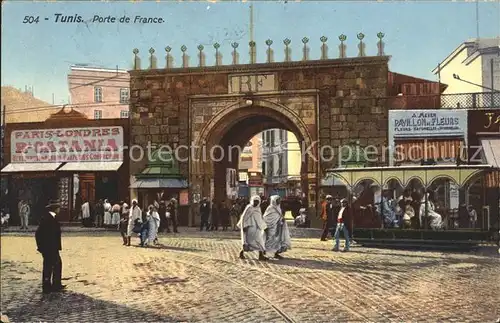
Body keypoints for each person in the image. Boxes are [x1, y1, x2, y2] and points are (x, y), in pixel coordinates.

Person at [35, 200, 65, 294]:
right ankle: (48, 286)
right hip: (48, 248)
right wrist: (41, 247)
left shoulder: (52, 218)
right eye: (59, 208)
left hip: (53, 247)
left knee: (56, 264)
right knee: (49, 266)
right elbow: (38, 234)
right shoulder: (47, 218)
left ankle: (55, 284)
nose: (59, 210)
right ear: (55, 209)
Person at [237, 195, 268, 261]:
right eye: (254, 201)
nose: (255, 203)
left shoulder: (258, 208)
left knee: (259, 240)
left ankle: (261, 255)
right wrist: (244, 226)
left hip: (257, 228)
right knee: (249, 242)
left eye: (257, 201)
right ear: (252, 201)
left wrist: (263, 226)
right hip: (249, 228)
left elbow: (260, 218)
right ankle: (241, 253)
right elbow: (244, 217)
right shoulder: (249, 208)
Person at [263, 195, 291, 259]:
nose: (279, 201)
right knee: (269, 240)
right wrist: (266, 226)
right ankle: (263, 252)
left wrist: (282, 220)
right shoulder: (270, 208)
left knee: (278, 241)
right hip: (270, 228)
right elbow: (266, 218)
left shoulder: (278, 208)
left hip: (278, 227)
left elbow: (280, 216)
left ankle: (276, 253)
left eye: (279, 200)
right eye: (277, 200)